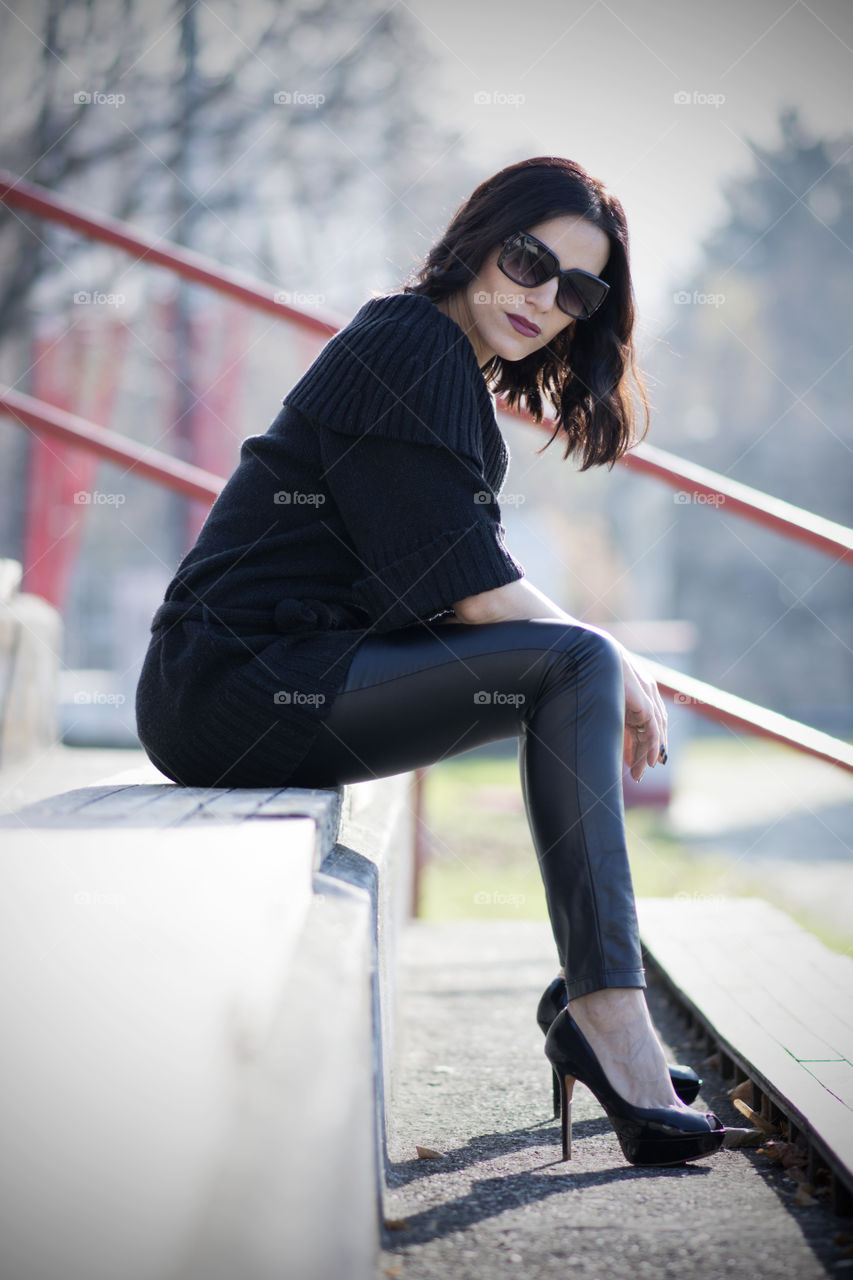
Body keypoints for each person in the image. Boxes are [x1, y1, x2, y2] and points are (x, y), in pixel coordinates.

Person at [135, 155, 725, 1167]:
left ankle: (602, 1005)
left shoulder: (435, 358)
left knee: (570, 663)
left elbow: (455, 586)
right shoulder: (408, 339)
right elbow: (476, 589)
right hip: (228, 680)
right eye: (530, 259)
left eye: (575, 290)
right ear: (479, 237)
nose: (545, 297)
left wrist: (593, 657)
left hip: (296, 665)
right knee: (576, 662)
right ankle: (607, 1009)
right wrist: (617, 660)